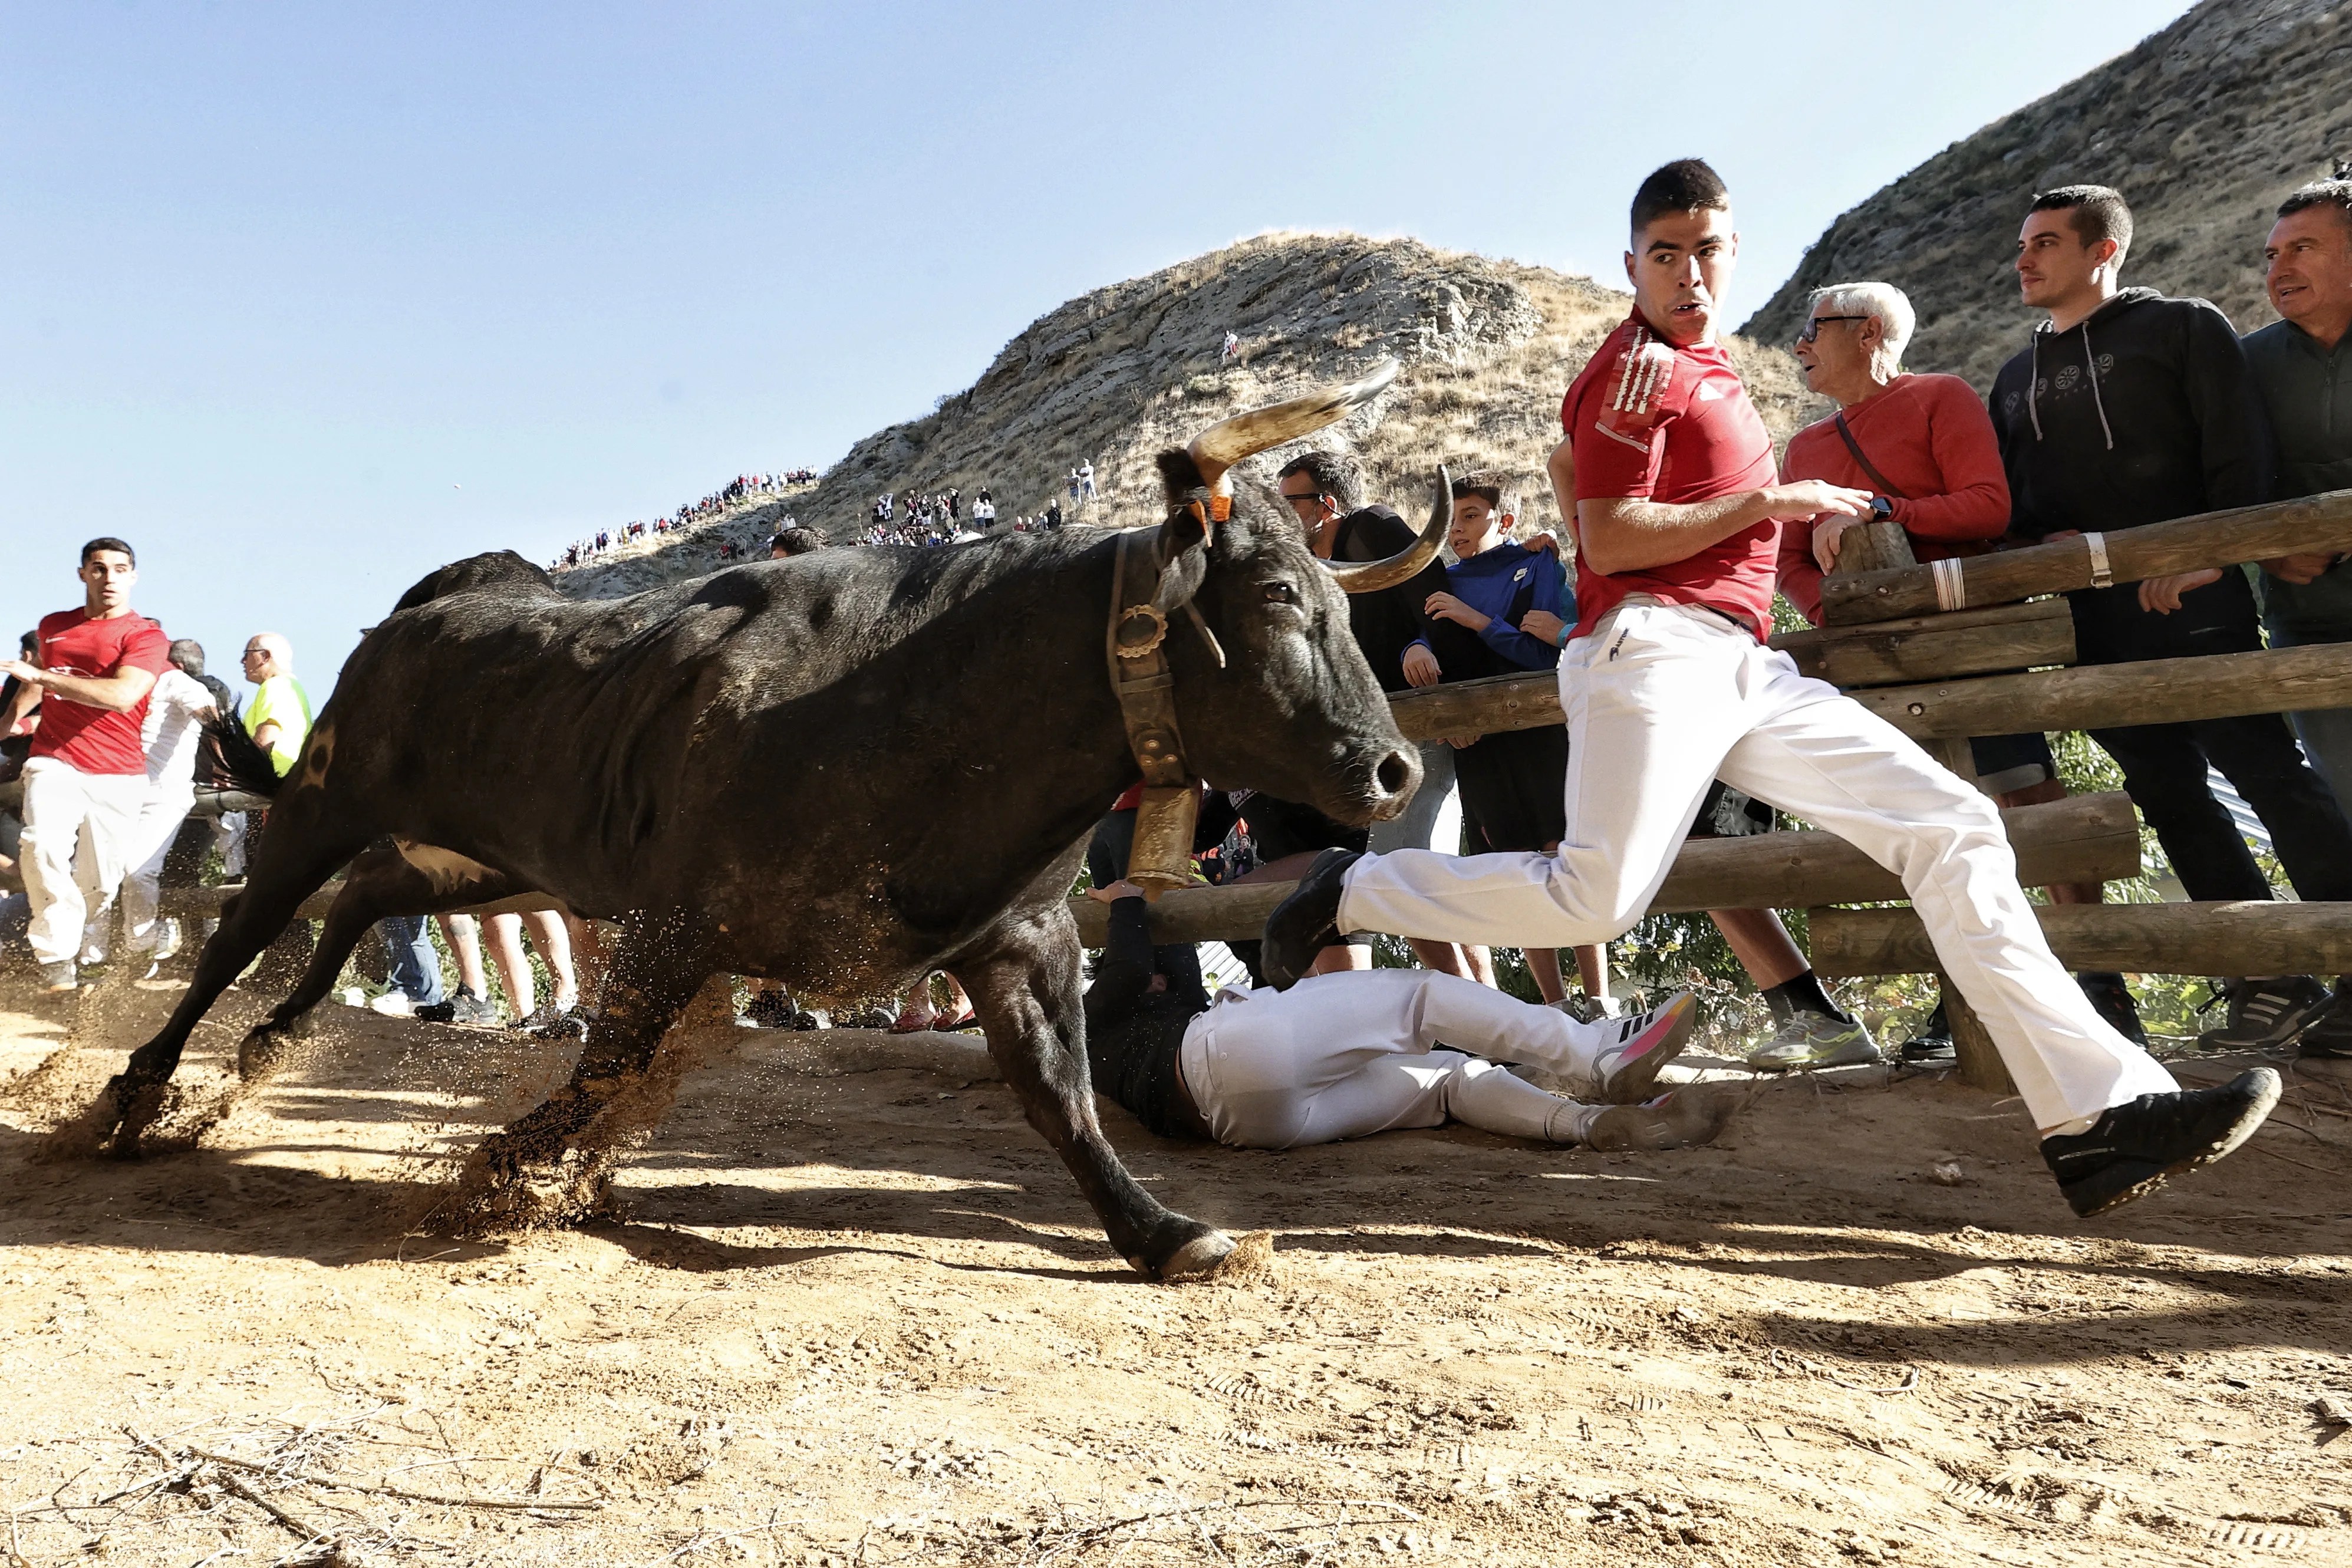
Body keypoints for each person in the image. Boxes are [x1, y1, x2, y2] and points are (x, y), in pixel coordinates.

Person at [1264, 159, 2279, 1221]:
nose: (1690, 273)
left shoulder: (1704, 368)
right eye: (1666, 255)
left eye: (1708, 250)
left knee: (1953, 823)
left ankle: (2100, 1116)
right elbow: (1610, 535)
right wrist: (1774, 498)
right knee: (1595, 900)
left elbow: (1585, 504)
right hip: (1652, 650)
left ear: (1733, 251)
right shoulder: (1635, 372)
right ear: (1632, 265)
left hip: (1746, 663)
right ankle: (1351, 892)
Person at [1988, 184, 2352, 1053]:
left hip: (2198, 601)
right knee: (2168, 799)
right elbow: (2015, 507)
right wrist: (2044, 538)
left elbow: (2239, 452)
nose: (2024, 259)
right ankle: (2267, 978)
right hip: (2093, 626)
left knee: (2271, 778)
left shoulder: (2183, 326)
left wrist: (2210, 557)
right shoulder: (2010, 378)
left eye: (2044, 242)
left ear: (2101, 249)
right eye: (2023, 244)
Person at [1781, 278, 2140, 1065]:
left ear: (1868, 332)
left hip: (1971, 642)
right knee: (1932, 823)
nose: (1800, 345)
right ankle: (1969, 997)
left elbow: (1985, 508)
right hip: (1878, 666)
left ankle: (2096, 985)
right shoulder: (1803, 451)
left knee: (2024, 798)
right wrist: (1827, 613)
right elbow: (1785, 561)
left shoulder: (1940, 397)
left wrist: (1878, 513)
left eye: (1814, 329)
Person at [1085, 882, 1727, 1152]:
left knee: (1449, 1078)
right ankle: (1594, 1053)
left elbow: (1146, 980)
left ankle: (1591, 1123)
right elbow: (1128, 972)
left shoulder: (1091, 1053)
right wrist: (1127, 906)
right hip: (1226, 1051)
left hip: (1250, 1125)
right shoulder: (1090, 1015)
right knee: (1422, 997)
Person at [1418, 472, 1609, 1010]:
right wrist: (1443, 718)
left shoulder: (1538, 563)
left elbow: (1542, 655)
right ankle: (1553, 1006)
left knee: (1562, 858)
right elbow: (1420, 649)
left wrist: (1477, 620)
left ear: (1504, 521)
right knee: (1510, 869)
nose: (1457, 529)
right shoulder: (1437, 583)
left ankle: (1599, 999)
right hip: (1479, 749)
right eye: (1451, 519)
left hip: (1544, 736)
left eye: (1471, 516)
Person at [1266, 450, 1455, 979]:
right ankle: (1488, 1018)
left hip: (1426, 727)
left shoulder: (1369, 527)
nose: (1283, 517)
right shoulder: (1309, 574)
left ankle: (1492, 1021)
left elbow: (1436, 594)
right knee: (1410, 883)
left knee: (1401, 877)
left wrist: (1427, 650)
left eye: (1291, 504)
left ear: (1327, 504)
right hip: (1375, 746)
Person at [2244, 178, 2352, 1058]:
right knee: (2343, 799)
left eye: (2301, 249)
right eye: (2272, 254)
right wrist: (2268, 547)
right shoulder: (2245, 364)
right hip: (2310, 629)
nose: (2278, 268)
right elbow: (2226, 486)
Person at [0, 539, 173, 991]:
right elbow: (35, 687)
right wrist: (6, 723)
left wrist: (41, 677)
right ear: (83, 575)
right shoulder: (53, 627)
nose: (109, 578)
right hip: (54, 759)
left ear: (133, 577)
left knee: (102, 883)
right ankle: (57, 959)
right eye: (99, 569)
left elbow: (123, 696)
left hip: (118, 772)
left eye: (120, 569)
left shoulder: (145, 636)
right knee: (40, 847)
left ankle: (76, 943)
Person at [80, 637, 219, 974]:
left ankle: (142, 948)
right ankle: (91, 959)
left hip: (163, 796)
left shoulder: (177, 681)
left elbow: (211, 716)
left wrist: (224, 748)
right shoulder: (117, 685)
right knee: (95, 872)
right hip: (116, 790)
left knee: (139, 871)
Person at [239, 633, 312, 778]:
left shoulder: (275, 685)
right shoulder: (291, 687)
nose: (243, 661)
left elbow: (266, 738)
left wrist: (240, 776)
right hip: (289, 778)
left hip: (271, 779)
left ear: (265, 656)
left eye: (247, 654)